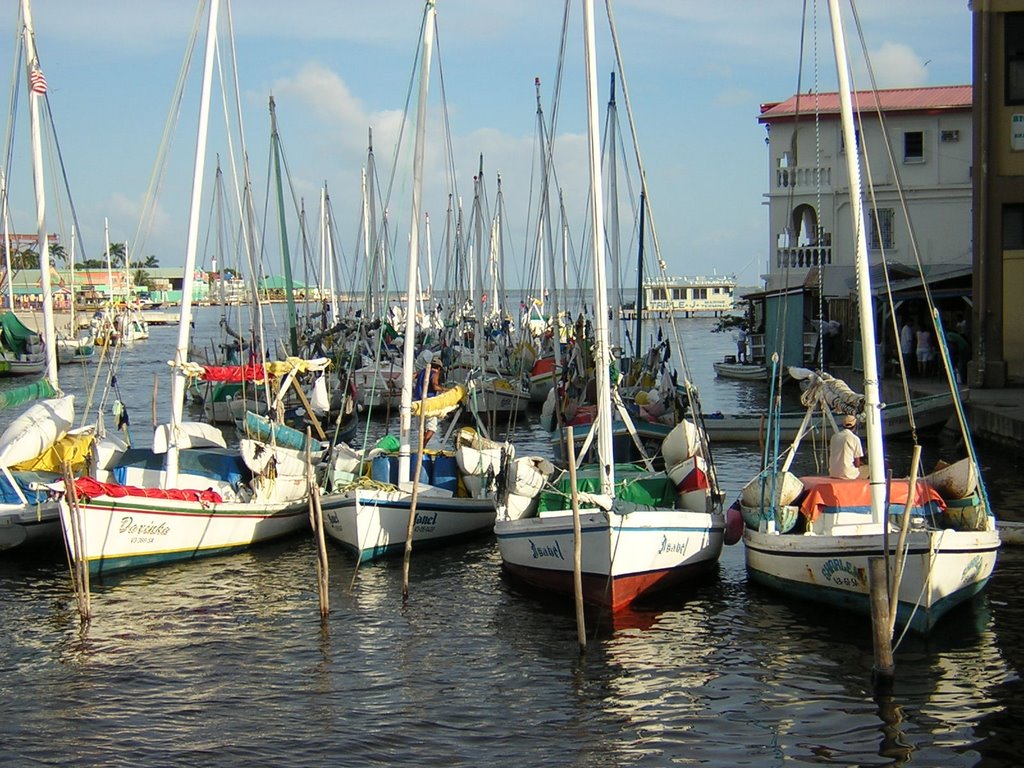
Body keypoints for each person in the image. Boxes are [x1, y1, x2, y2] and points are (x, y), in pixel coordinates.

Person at [413, 349, 445, 444]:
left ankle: (421, 449)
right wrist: (444, 389)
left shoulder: (423, 371)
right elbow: (435, 386)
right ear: (439, 368)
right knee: (432, 428)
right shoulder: (435, 373)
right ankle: (423, 446)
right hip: (429, 403)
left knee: (421, 428)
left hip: (418, 403)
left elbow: (413, 375)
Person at [829, 414, 867, 480]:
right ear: (855, 426)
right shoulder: (854, 438)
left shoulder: (834, 437)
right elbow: (857, 463)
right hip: (847, 474)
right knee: (871, 469)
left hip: (833, 472)